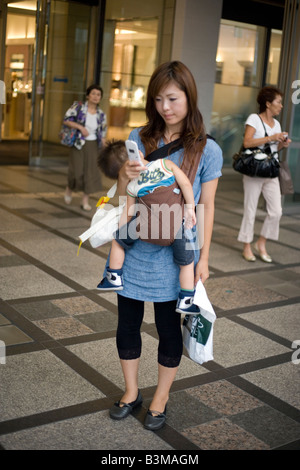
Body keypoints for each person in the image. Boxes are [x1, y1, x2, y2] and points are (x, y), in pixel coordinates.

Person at [105, 61, 222, 431]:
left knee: (169, 328)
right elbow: (127, 194)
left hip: (176, 254)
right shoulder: (139, 139)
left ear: (189, 96)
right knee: (127, 323)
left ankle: (161, 397)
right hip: (137, 244)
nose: (165, 107)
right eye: (158, 99)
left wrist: (204, 256)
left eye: (172, 98)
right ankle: (130, 391)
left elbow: (207, 205)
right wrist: (124, 180)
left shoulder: (208, 150)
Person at [96, 139, 200, 315]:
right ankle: (186, 299)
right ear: (140, 153)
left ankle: (114, 276)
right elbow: (186, 184)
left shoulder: (131, 186)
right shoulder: (165, 164)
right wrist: (190, 209)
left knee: (118, 241)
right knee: (187, 263)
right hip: (174, 228)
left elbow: (128, 213)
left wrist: (121, 233)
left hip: (143, 228)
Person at [238, 86, 291, 262]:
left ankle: (261, 242)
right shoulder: (254, 119)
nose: (281, 106)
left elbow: (275, 147)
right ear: (268, 104)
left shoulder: (276, 124)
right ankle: (246, 245)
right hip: (254, 170)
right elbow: (247, 142)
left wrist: (283, 143)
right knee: (250, 209)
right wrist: (271, 138)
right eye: (278, 102)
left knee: (276, 211)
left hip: (271, 170)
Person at [63, 84, 107, 211]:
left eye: (98, 94)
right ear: (88, 95)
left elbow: (103, 132)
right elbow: (66, 120)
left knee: (90, 172)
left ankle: (85, 201)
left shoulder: (101, 114)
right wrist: (80, 127)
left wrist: (105, 145)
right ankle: (69, 188)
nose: (95, 96)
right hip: (78, 143)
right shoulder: (78, 107)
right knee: (76, 172)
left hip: (93, 145)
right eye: (93, 93)